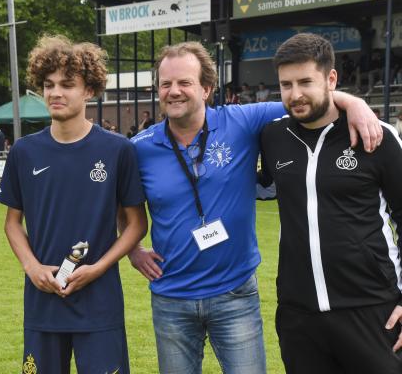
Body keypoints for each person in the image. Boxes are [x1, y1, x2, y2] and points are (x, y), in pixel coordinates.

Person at [128, 41, 382, 374]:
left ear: (206, 88)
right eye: (166, 84)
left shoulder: (241, 121)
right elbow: (122, 206)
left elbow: (303, 100)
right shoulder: (138, 149)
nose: (174, 91)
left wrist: (355, 102)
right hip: (171, 299)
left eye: (184, 83)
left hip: (234, 295)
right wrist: (133, 249)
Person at [0, 35, 147, 374]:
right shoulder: (24, 151)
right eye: (48, 85)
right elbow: (11, 223)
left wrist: (100, 267)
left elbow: (137, 224)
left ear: (89, 90)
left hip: (100, 301)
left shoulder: (118, 150)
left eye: (67, 84)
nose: (55, 93)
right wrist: (32, 266)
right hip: (42, 301)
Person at [260, 32, 402, 374]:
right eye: (286, 84)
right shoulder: (273, 137)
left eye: (306, 81)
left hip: (372, 310)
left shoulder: (375, 135)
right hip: (299, 316)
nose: (295, 95)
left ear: (331, 79)